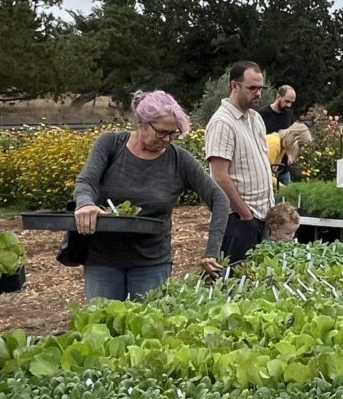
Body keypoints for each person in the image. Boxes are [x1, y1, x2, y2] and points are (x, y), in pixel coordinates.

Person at [73, 90, 229, 300]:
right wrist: (84, 204)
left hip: (151, 264)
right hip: (103, 261)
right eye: (162, 132)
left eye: (172, 134)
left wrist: (212, 250)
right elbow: (86, 181)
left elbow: (219, 199)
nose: (167, 139)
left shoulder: (179, 160)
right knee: (102, 325)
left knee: (149, 327)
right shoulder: (111, 144)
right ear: (142, 123)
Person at [206, 61, 275, 262]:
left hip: (261, 216)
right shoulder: (222, 123)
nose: (258, 94)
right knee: (235, 282)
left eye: (261, 88)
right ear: (234, 86)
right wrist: (245, 214)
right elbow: (219, 176)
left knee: (257, 281)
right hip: (237, 220)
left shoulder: (255, 118)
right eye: (252, 88)